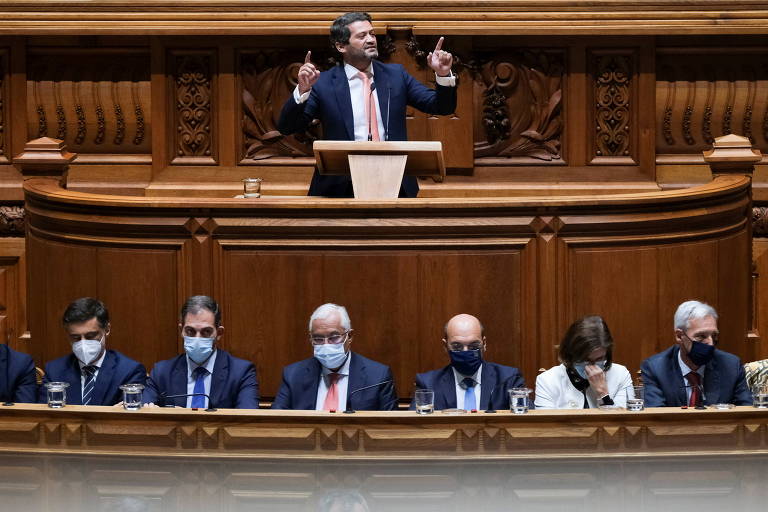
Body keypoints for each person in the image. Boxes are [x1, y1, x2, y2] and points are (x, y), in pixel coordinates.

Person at [277, 11, 457, 198]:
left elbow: (442, 107)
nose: (371, 39)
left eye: (372, 34)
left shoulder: (396, 75)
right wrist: (303, 90)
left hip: (394, 181)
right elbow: (287, 127)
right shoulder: (324, 83)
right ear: (341, 46)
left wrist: (443, 75)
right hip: (340, 185)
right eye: (362, 36)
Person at [272, 303, 397, 410]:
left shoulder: (378, 376)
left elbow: (391, 429)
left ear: (350, 336)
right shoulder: (293, 375)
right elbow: (276, 422)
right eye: (318, 339)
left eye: (334, 337)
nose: (326, 344)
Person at [144, 295, 259, 409]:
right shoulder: (161, 372)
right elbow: (143, 416)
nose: (197, 338)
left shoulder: (241, 373)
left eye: (206, 331)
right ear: (181, 331)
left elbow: (248, 420)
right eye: (190, 331)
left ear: (219, 333)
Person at [641, 300, 752, 407]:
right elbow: (656, 419)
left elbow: (747, 414)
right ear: (679, 336)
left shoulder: (731, 366)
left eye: (714, 336)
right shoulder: (655, 368)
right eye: (701, 336)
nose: (710, 343)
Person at [40, 297, 146, 406]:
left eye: (90, 336)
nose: (83, 343)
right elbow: (44, 417)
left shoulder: (129, 371)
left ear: (107, 330)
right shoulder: (54, 371)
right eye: (75, 337)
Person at [413, 314, 525, 411]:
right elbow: (413, 428)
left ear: (484, 344)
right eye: (457, 346)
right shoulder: (428, 383)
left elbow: (526, 423)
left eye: (474, 346)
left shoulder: (508, 379)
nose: (465, 351)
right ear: (445, 346)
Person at [535, 315, 633, 409]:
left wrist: (603, 394)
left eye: (599, 359)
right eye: (584, 359)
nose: (591, 367)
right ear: (570, 354)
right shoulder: (547, 380)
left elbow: (623, 423)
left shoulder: (621, 375)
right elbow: (546, 424)